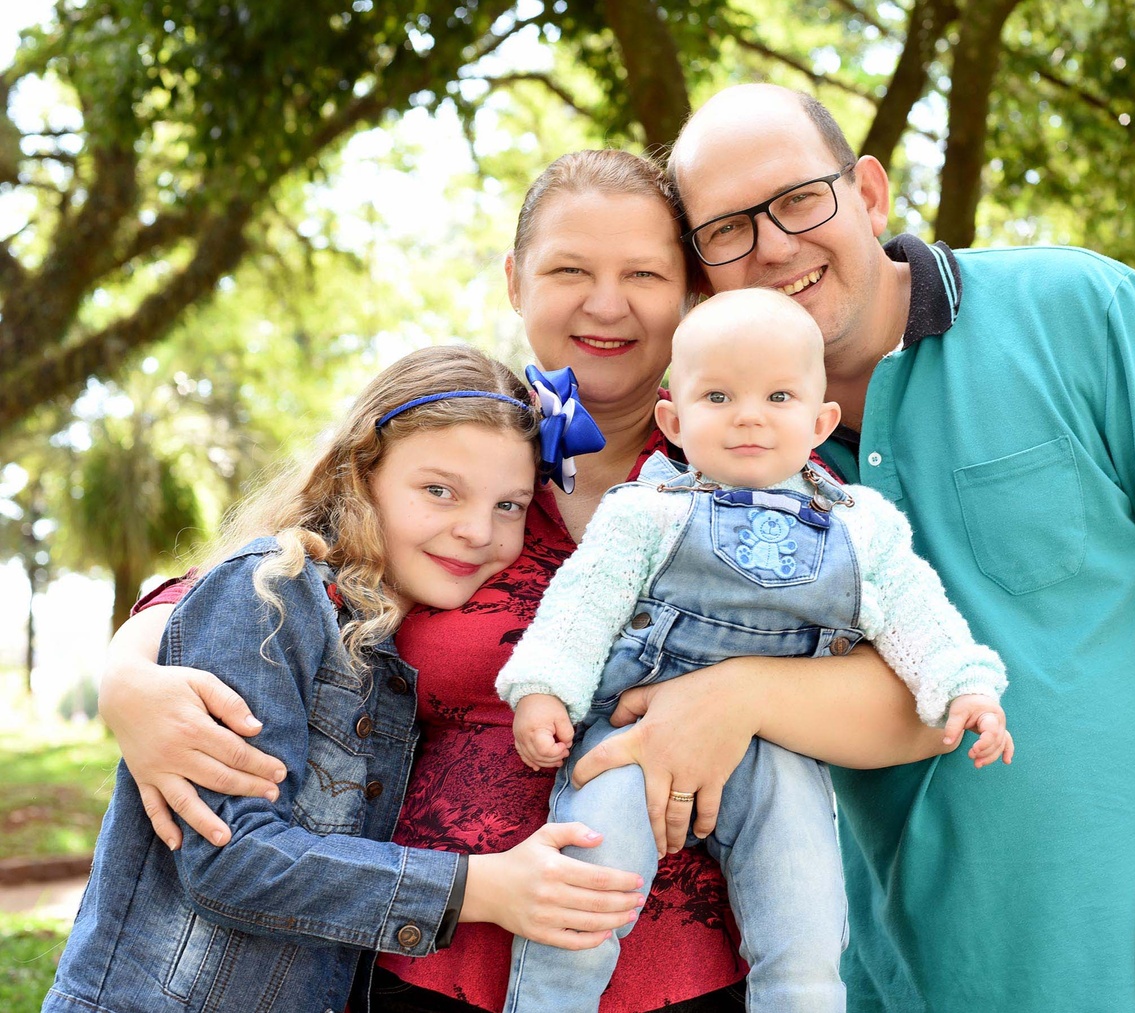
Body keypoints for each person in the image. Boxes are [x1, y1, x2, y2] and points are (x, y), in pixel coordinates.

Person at [98, 149, 957, 1013]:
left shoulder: (768, 464)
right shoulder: (467, 454)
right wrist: (127, 674)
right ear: (516, 280)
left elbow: (917, 690)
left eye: (644, 274)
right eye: (570, 270)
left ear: (691, 292)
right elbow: (286, 564)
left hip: (690, 975)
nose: (606, 304)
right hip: (425, 962)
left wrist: (739, 696)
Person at [558, 84, 1135, 1013]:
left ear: (869, 194)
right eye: (728, 230)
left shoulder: (1077, 307)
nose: (775, 246)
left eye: (799, 199)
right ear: (703, 273)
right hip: (893, 973)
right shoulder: (726, 464)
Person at [46, 346, 652, 1013]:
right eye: (439, 491)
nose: (478, 531)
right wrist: (482, 887)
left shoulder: (387, 637)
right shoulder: (275, 594)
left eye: (509, 505)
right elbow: (227, 857)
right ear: (361, 474)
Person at [497, 288, 1012, 1012]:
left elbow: (918, 614)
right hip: (632, 737)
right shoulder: (646, 511)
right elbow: (584, 602)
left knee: (806, 923)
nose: (748, 415)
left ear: (820, 420)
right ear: (674, 421)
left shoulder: (863, 527)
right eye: (718, 396)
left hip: (782, 750)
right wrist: (545, 687)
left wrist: (965, 686)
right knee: (583, 893)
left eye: (778, 396)